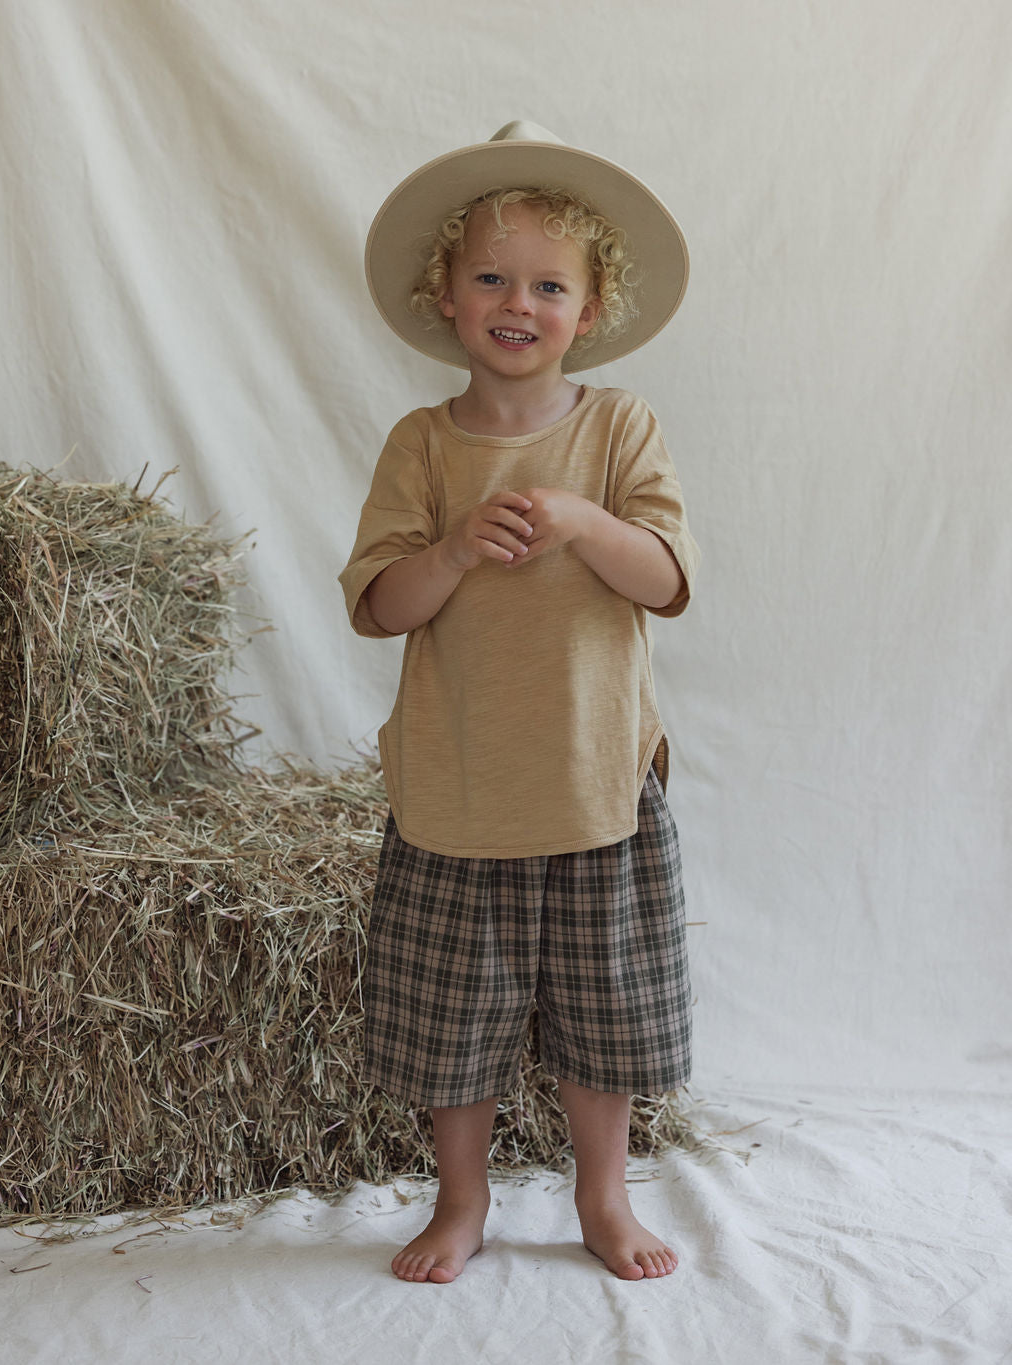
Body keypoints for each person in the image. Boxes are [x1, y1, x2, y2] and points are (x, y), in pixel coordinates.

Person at [339, 121, 700, 1284]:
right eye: (490, 277)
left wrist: (589, 521)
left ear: (587, 312)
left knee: (604, 1016)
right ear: (444, 298)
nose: (517, 301)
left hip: (595, 780)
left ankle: (603, 1195)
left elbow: (670, 582)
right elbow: (382, 606)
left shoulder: (618, 428)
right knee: (454, 1023)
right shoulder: (422, 445)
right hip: (457, 785)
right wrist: (448, 551)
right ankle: (461, 1202)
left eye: (549, 283)